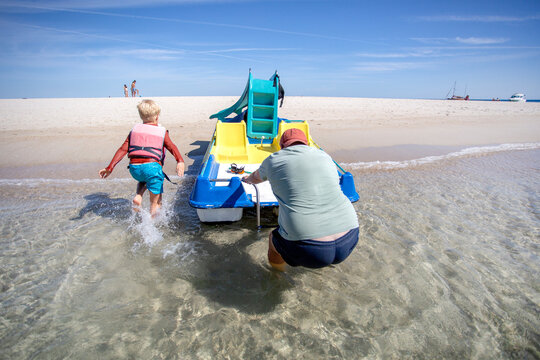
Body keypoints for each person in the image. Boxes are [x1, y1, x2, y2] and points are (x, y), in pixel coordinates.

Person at [242, 128, 359, 271]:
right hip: (350, 237)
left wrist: (246, 179)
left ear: (282, 146)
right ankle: (326, 259)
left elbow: (255, 178)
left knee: (273, 238)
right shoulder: (324, 156)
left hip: (309, 248)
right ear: (307, 144)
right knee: (325, 250)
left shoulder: (274, 159)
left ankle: (276, 275)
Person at [99, 100, 185, 217]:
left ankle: (138, 196)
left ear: (141, 116)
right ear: (157, 116)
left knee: (144, 178)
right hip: (152, 168)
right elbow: (171, 146)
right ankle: (152, 226)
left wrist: (110, 167)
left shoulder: (133, 131)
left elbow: (122, 150)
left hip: (135, 169)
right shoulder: (161, 131)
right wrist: (180, 161)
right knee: (156, 203)